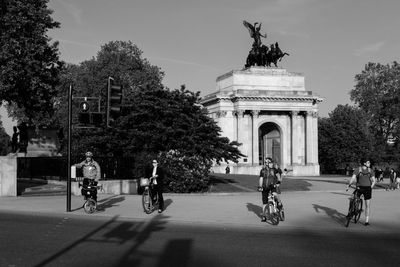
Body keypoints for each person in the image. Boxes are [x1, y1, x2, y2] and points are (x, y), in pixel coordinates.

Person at [347, 158, 376, 226]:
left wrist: (370, 187)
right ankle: (351, 212)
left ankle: (366, 221)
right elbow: (353, 178)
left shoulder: (370, 170)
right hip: (359, 188)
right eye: (368, 162)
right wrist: (349, 184)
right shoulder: (358, 169)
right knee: (352, 198)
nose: (370, 163)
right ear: (364, 163)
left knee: (367, 205)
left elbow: (374, 181)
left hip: (367, 188)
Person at [258, 157, 282, 222]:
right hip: (265, 187)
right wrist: (260, 186)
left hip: (272, 186)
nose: (267, 163)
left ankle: (279, 203)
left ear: (271, 163)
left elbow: (278, 176)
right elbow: (261, 178)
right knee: (265, 203)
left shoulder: (274, 170)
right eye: (265, 162)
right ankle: (264, 216)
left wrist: (278, 182)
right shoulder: (262, 170)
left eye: (268, 162)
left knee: (275, 194)